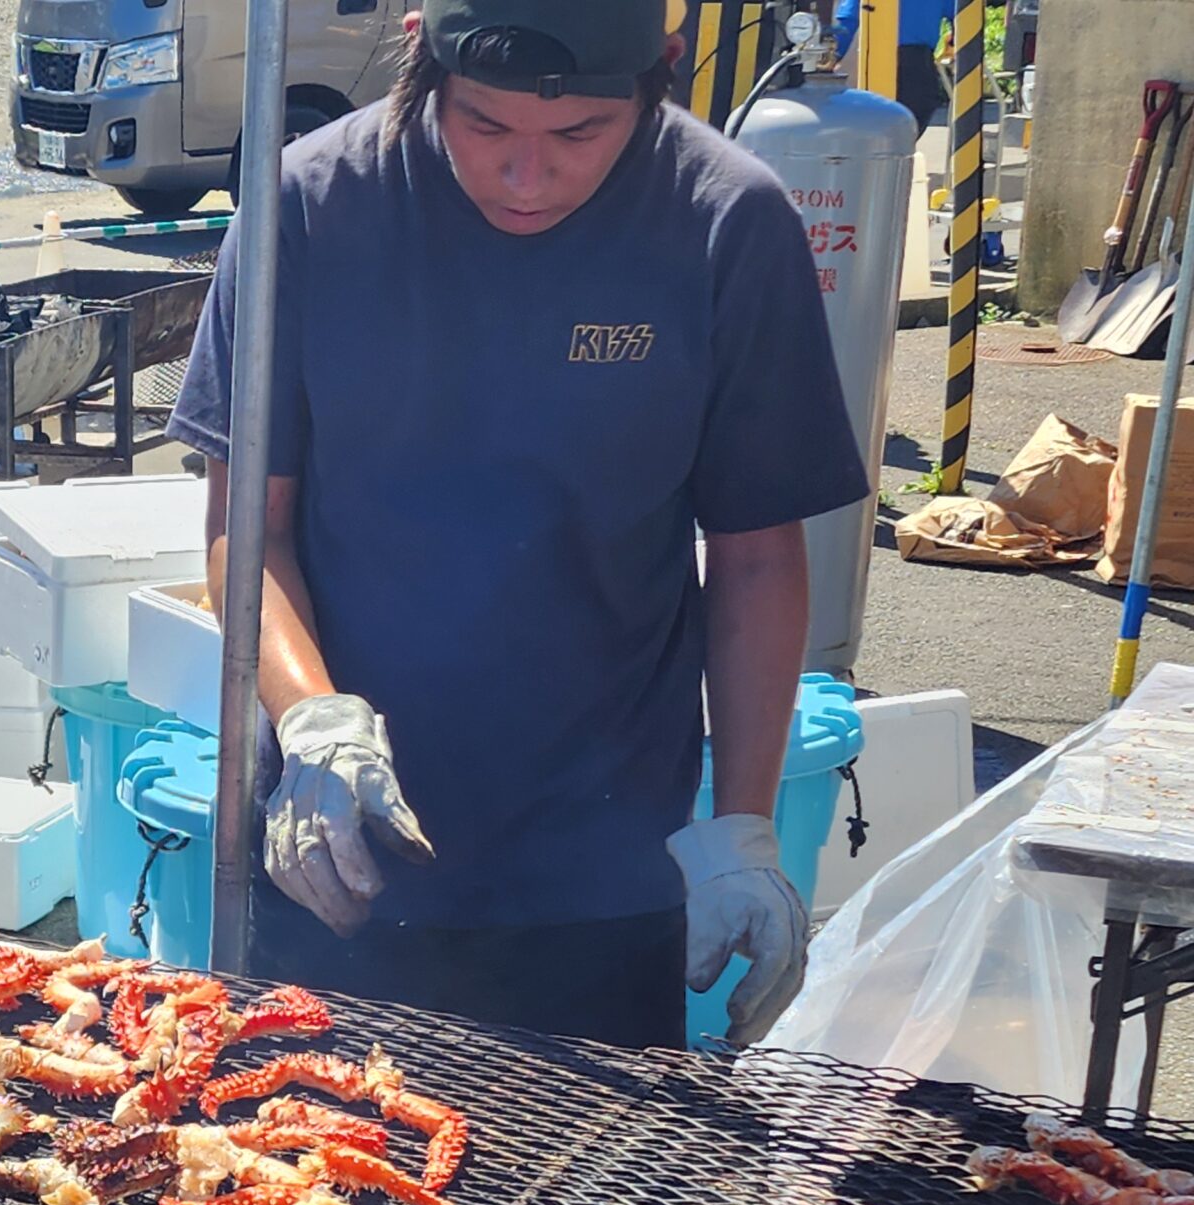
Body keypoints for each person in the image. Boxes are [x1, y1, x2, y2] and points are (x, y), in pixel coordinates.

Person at [170, 0, 866, 1055]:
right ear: (422, 62)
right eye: (484, 128)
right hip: (343, 836)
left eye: (580, 135)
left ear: (659, 75)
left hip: (605, 854)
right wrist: (311, 721)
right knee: (312, 1177)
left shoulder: (725, 218)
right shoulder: (308, 204)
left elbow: (758, 553)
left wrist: (741, 826)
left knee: (590, 1200)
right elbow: (244, 529)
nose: (525, 176)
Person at [834, 0, 950, 132]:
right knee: (916, 111)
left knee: (868, 114)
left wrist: (836, 56)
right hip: (917, 58)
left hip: (874, 55)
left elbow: (848, 22)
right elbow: (959, 15)